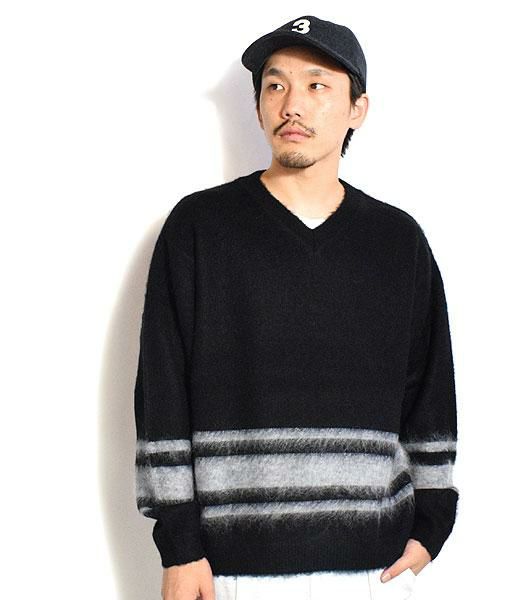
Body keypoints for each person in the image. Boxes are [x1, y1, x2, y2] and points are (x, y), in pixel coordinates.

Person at [134, 14, 460, 600]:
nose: (293, 105)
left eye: (317, 85)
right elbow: (162, 389)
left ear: (357, 108)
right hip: (230, 568)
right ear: (259, 105)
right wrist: (179, 545)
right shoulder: (200, 228)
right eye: (275, 85)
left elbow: (429, 387)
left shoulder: (397, 241)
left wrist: (433, 523)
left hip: (374, 568)